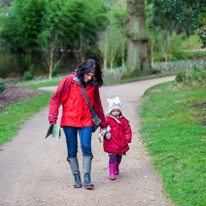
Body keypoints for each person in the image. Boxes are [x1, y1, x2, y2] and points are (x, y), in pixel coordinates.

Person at [48, 59, 107, 189]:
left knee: (86, 146)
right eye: (87, 75)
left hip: (86, 120)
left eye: (92, 76)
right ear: (82, 71)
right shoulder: (69, 80)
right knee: (72, 149)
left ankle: (87, 177)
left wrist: (104, 124)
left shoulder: (94, 84)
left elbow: (98, 104)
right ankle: (76, 176)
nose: (89, 78)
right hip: (69, 120)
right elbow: (55, 99)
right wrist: (53, 120)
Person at [103, 97, 132, 180]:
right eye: (113, 111)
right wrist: (106, 134)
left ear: (120, 111)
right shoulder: (107, 119)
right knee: (112, 156)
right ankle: (111, 173)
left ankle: (116, 167)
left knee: (119, 157)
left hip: (121, 142)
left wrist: (127, 137)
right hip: (111, 142)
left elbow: (127, 129)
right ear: (110, 111)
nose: (115, 113)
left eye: (117, 111)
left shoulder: (123, 120)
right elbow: (103, 129)